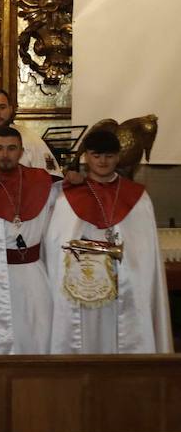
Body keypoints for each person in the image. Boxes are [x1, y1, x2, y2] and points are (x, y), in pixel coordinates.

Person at [45, 130, 172, 355]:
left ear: (117, 157)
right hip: (84, 286)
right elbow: (57, 245)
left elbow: (144, 251)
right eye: (96, 155)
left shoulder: (137, 197)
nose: (103, 161)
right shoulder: (68, 197)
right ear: (86, 157)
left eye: (109, 156)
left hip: (126, 286)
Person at [0, 127, 58, 355]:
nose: (5, 154)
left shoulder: (43, 183)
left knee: (38, 332)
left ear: (22, 151)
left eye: (11, 148)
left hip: (33, 273)